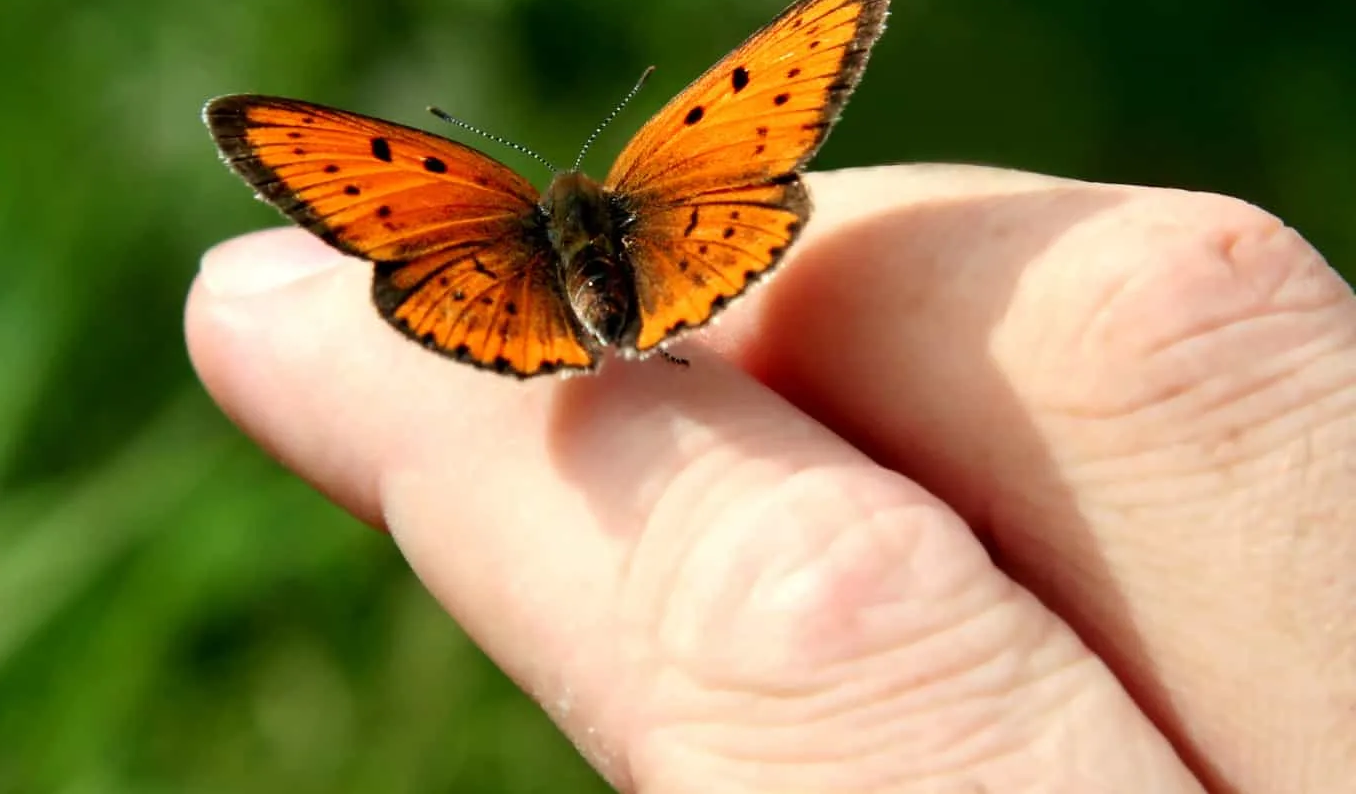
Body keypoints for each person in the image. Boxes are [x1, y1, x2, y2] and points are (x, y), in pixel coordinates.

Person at [186, 165, 1356, 792]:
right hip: (656, 271)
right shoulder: (668, 176)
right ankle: (638, 327)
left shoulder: (502, 196)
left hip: (534, 301)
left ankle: (597, 333)